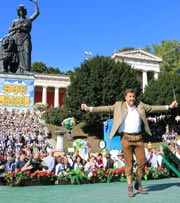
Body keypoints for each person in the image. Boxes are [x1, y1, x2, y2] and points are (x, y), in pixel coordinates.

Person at [81, 88, 178, 197]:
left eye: (133, 96)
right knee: (129, 163)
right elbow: (105, 108)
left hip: (138, 138)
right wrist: (89, 109)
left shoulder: (140, 105)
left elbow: (153, 108)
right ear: (125, 97)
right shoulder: (118, 105)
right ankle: (130, 186)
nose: (132, 99)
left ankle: (138, 183)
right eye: (130, 96)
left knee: (142, 162)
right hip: (126, 138)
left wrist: (169, 106)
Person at [8, 0, 40, 73]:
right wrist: (17, 27)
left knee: (27, 52)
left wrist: (35, 3)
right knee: (16, 54)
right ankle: (16, 70)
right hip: (16, 39)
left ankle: (26, 70)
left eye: (22, 10)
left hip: (26, 38)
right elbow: (9, 30)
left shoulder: (28, 20)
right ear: (18, 12)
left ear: (25, 11)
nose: (21, 12)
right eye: (20, 11)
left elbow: (37, 13)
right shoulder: (15, 21)